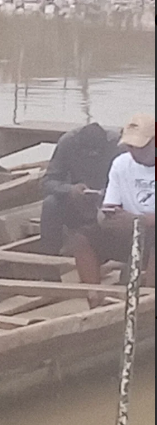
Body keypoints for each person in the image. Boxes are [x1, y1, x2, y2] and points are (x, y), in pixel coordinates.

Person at [69, 113, 155, 307]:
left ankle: (149, 302)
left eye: (140, 147)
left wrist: (140, 220)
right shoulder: (121, 164)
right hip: (130, 229)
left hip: (149, 229)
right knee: (82, 238)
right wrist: (107, 217)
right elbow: (111, 205)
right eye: (131, 147)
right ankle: (96, 300)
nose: (135, 152)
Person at [41, 123, 121, 254]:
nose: (92, 155)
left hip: (110, 203)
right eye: (88, 152)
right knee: (51, 203)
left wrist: (109, 193)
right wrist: (70, 190)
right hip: (76, 202)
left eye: (96, 152)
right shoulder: (67, 142)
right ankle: (48, 254)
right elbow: (48, 181)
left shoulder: (117, 145)